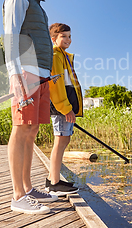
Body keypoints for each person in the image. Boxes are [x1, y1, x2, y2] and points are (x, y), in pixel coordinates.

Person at [3, 0, 58, 215]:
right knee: (21, 128)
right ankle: (17, 196)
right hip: (25, 71)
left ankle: (28, 188)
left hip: (42, 74)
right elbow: (11, 36)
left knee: (33, 129)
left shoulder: (38, 5)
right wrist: (14, 75)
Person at [46, 23, 82, 196]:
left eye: (69, 36)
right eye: (63, 36)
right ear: (53, 39)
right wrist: (65, 108)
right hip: (62, 107)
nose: (68, 39)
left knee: (63, 141)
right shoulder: (55, 55)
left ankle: (51, 178)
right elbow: (56, 85)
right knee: (60, 142)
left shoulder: (64, 56)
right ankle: (54, 184)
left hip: (65, 106)